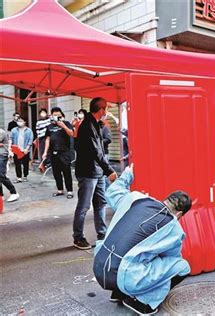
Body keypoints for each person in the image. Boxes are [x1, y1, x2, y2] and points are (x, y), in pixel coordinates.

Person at [93, 164, 192, 315]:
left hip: (99, 266)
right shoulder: (173, 228)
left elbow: (112, 191)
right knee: (182, 266)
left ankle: (118, 293)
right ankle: (144, 303)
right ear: (179, 214)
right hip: (124, 277)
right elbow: (171, 259)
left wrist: (128, 173)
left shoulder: (135, 198)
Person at [73, 97, 117, 250]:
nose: (107, 113)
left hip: (97, 171)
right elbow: (96, 152)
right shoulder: (87, 126)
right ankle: (78, 237)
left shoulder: (96, 124)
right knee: (84, 206)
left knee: (100, 203)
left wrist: (105, 170)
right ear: (101, 110)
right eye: (106, 109)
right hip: (88, 172)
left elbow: (99, 150)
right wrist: (109, 170)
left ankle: (102, 234)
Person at [43, 107, 74, 199]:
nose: (56, 116)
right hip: (53, 152)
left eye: (58, 115)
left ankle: (70, 191)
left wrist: (63, 126)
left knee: (66, 172)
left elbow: (71, 134)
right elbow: (47, 139)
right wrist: (45, 152)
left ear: (61, 115)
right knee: (56, 172)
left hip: (64, 152)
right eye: (54, 115)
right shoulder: (49, 126)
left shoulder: (67, 123)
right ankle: (60, 189)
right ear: (51, 116)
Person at [9, 117, 33, 183]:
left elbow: (30, 141)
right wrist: (10, 147)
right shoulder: (14, 130)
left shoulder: (29, 130)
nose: (19, 122)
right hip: (16, 149)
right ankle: (19, 177)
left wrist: (27, 148)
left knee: (25, 164)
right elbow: (10, 139)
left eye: (21, 121)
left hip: (25, 149)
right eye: (18, 121)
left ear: (24, 122)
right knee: (17, 164)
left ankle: (25, 176)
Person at [0, 128, 19, 202]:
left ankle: (14, 192)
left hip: (2, 155)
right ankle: (1, 195)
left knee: (1, 175)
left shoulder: (0, 132)